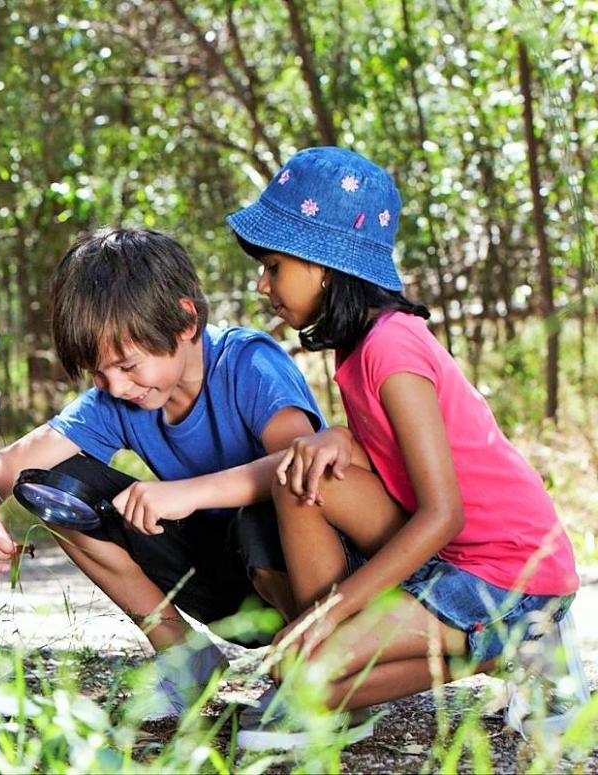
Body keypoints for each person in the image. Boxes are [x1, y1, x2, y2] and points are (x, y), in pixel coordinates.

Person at [225, 146, 579, 748]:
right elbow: (397, 461)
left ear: (324, 266)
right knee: (299, 472)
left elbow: (446, 512)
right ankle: (334, 657)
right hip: (448, 555)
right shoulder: (357, 348)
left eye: (272, 264)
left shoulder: (393, 347)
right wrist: (339, 440)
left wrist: (328, 614)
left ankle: (517, 646)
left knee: (302, 675)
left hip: (507, 572)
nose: (263, 283)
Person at [0, 226, 325, 719]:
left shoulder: (249, 363)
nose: (116, 386)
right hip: (226, 585)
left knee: (262, 514)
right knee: (51, 487)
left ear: (185, 321)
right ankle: (185, 658)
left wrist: (185, 494)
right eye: (99, 374)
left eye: (127, 365)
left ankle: (314, 670)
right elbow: (4, 468)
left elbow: (303, 464)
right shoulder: (120, 398)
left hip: (301, 579)